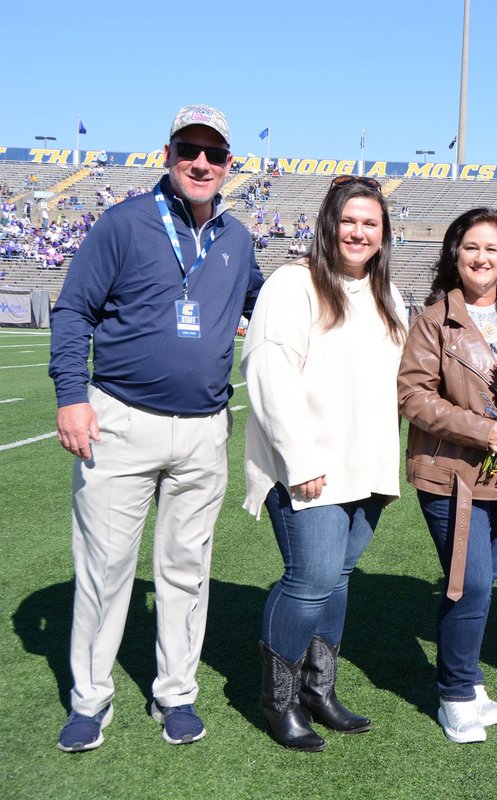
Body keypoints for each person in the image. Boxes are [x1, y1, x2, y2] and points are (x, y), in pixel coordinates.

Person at [49, 104, 263, 751]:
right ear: (167, 154)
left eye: (214, 153)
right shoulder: (124, 223)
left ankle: (176, 693)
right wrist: (70, 395)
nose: (201, 163)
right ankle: (90, 699)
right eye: (188, 149)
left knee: (185, 569)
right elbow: (73, 311)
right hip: (120, 420)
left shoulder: (238, 239)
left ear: (230, 165)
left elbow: (269, 309)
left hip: (203, 431)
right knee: (106, 569)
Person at [242, 175, 407, 752]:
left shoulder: (388, 294)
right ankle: (277, 700)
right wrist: (299, 455)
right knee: (309, 581)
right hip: (311, 464)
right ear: (328, 224)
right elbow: (268, 372)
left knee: (337, 579)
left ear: (384, 233)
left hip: (367, 465)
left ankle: (319, 689)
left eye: (371, 223)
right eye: (349, 220)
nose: (359, 232)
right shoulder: (294, 283)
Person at [399, 207, 497, 743]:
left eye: (493, 248)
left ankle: (467, 674)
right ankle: (455, 692)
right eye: (471, 247)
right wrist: (477, 430)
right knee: (473, 584)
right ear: (455, 254)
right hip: (453, 472)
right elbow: (411, 394)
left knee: (480, 584)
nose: (481, 258)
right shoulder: (435, 318)